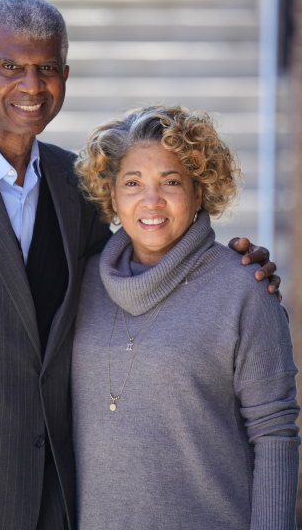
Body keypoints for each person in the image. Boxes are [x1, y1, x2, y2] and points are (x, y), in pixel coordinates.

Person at [0, 0, 281, 530]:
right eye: (11, 67)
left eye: (47, 68)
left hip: (66, 500)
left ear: (65, 76)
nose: (32, 85)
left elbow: (139, 270)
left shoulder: (74, 185)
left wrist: (235, 270)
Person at [72, 105, 300, 530]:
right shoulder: (80, 285)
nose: (151, 201)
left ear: (199, 192)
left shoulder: (244, 290)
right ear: (113, 196)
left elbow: (275, 435)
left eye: (171, 182)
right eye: (133, 182)